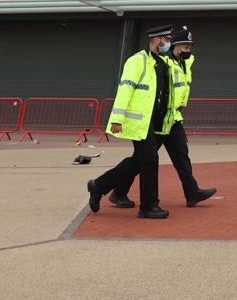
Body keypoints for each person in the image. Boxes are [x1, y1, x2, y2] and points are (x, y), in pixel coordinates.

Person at [108, 25, 217, 210]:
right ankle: (117, 191)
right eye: (185, 45)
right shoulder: (162, 64)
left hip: (174, 117)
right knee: (142, 160)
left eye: (190, 46)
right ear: (174, 45)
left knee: (182, 156)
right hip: (161, 118)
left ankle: (192, 193)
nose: (188, 49)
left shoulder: (186, 64)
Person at [86, 25, 180, 219]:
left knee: (139, 160)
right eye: (166, 39)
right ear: (156, 40)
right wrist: (117, 119)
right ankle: (149, 206)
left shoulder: (163, 63)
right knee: (150, 161)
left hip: (156, 122)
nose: (168, 43)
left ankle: (99, 185)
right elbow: (125, 90)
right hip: (140, 122)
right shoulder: (137, 61)